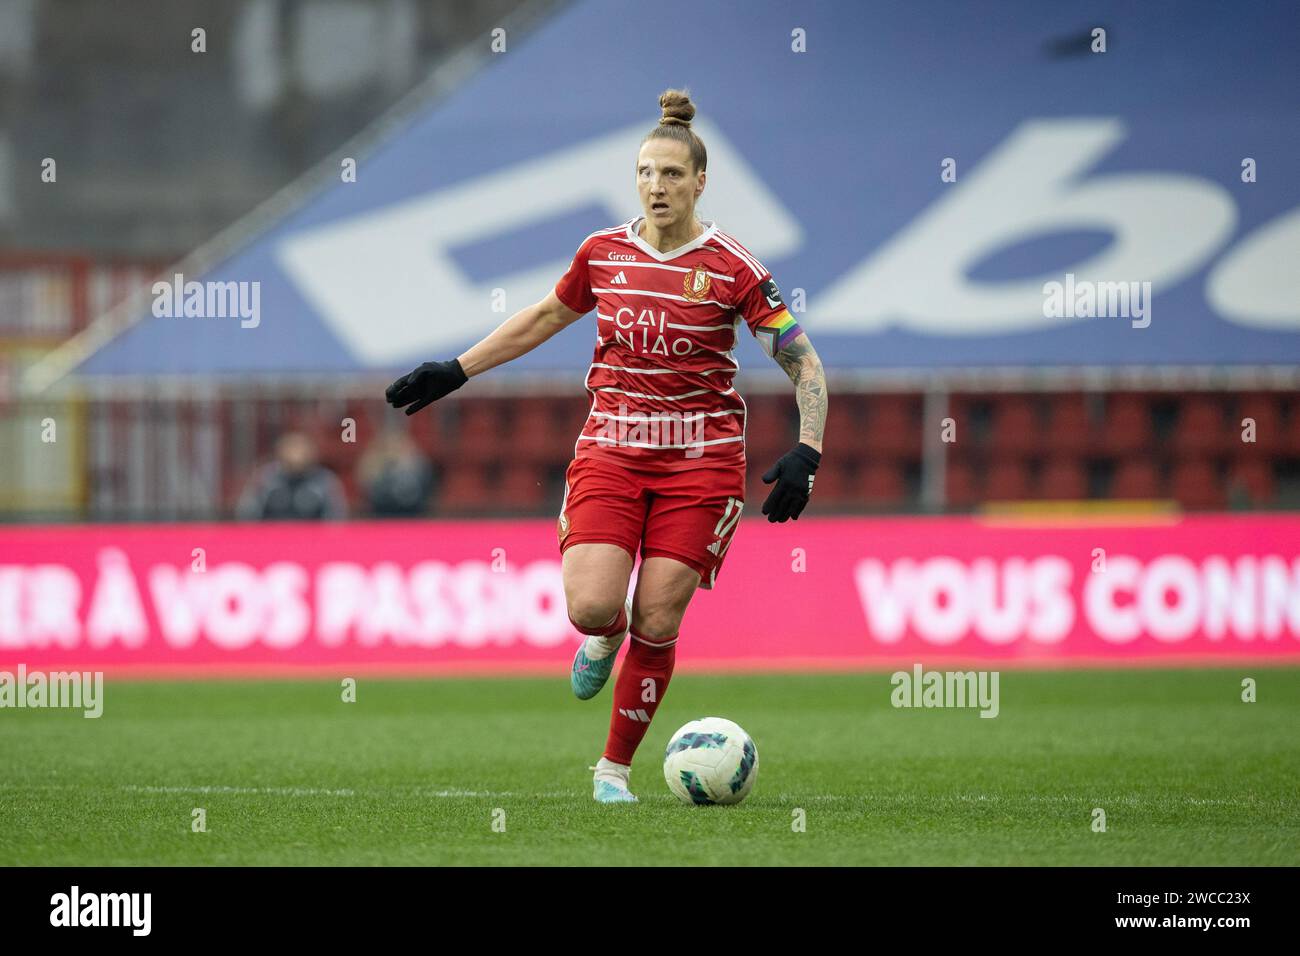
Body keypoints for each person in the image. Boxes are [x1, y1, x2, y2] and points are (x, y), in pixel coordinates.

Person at [386, 89, 828, 803]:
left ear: (700, 183)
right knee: (594, 608)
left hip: (702, 462)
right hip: (613, 450)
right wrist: (456, 369)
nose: (657, 187)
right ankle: (600, 638)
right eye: (646, 173)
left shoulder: (734, 269)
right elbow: (544, 316)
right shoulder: (604, 253)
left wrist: (807, 450)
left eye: (673, 175)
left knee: (658, 616)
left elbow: (802, 361)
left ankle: (612, 770)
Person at [236, 431, 348, 521]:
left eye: (300, 449)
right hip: (271, 539)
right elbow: (247, 514)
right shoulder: (265, 478)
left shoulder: (325, 481)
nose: (296, 454)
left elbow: (335, 517)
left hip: (313, 541)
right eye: (292, 449)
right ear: (280, 451)